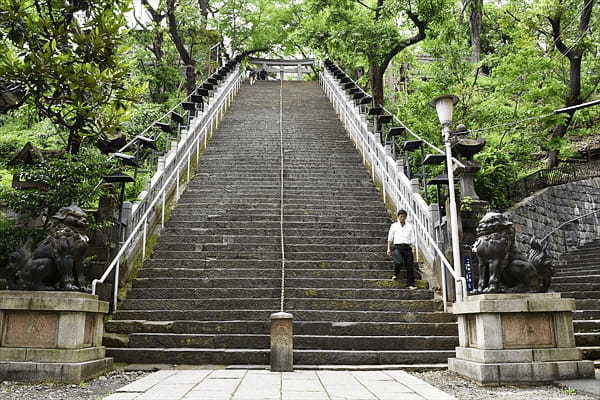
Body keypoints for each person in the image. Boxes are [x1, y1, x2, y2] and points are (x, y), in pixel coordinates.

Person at [386, 209, 416, 289]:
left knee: (409, 265)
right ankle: (396, 274)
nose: (402, 218)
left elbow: (412, 238)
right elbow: (390, 238)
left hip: (407, 247)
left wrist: (413, 248)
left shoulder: (409, 226)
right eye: (401, 216)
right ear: (398, 217)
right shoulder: (394, 226)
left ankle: (410, 284)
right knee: (399, 262)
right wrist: (388, 248)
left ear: (406, 217)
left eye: (404, 216)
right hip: (397, 247)